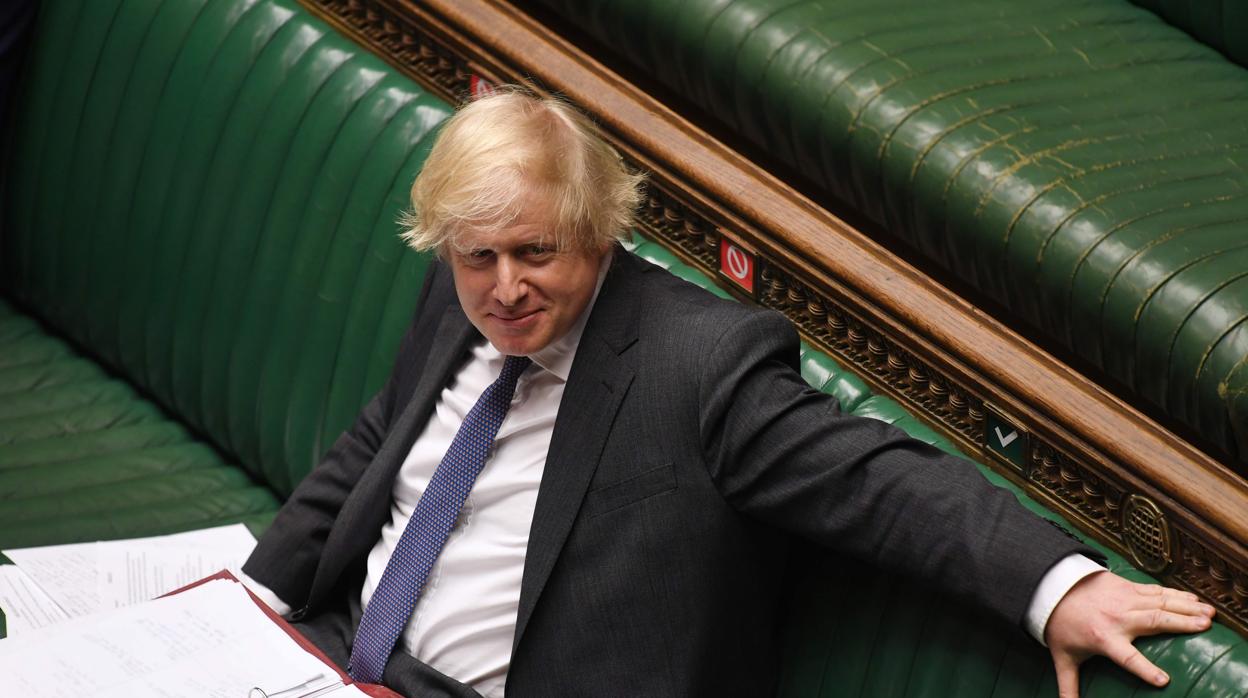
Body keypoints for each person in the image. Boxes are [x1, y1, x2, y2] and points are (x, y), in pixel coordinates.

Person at [241, 88, 1214, 698]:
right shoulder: (462, 295)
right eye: (478, 256)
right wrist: (256, 594)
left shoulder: (700, 367)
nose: (505, 287)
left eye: (536, 252)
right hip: (328, 657)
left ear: (597, 230)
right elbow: (385, 436)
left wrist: (1058, 584)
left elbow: (882, 483)